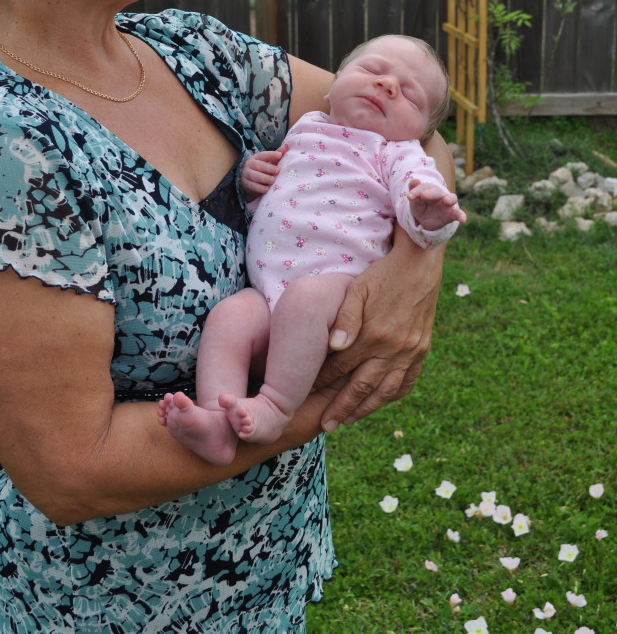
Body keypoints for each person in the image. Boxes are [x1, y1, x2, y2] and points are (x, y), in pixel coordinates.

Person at [0, 0, 453, 634]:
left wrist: (414, 272)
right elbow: (73, 468)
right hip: (108, 611)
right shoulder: (0, 147)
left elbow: (415, 135)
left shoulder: (194, 52)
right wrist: (312, 397)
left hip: (268, 568)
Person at [158, 34, 466, 464]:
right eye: (372, 70)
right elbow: (283, 197)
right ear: (331, 86)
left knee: (303, 300)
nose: (387, 85)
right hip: (267, 290)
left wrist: (430, 210)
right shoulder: (306, 126)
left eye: (410, 96)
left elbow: (419, 197)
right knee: (229, 317)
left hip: (334, 289)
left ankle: (274, 407)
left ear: (422, 133)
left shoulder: (397, 154)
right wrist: (253, 180)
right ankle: (215, 420)